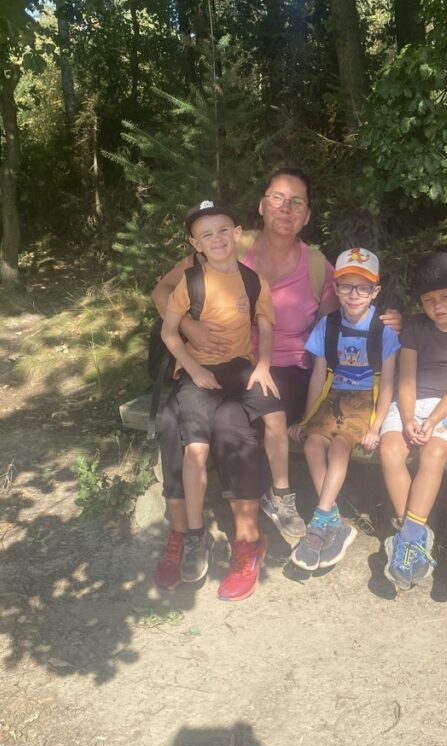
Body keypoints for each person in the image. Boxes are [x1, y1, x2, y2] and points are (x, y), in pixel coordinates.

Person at [151, 169, 336, 601]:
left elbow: (342, 320)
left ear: (308, 214)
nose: (285, 208)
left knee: (232, 420)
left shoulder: (316, 266)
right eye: (277, 198)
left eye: (296, 201)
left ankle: (248, 540)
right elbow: (164, 291)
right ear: (261, 205)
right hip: (212, 365)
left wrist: (387, 324)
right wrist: (190, 327)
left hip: (281, 369)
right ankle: (184, 533)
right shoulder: (229, 244)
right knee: (172, 420)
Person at [160, 199, 288, 588]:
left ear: (237, 234)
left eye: (222, 231)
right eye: (206, 234)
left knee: (275, 416)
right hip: (200, 371)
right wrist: (194, 369)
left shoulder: (252, 280)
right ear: (194, 243)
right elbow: (169, 332)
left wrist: (263, 365)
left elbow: (266, 326)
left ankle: (282, 497)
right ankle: (194, 534)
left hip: (241, 366)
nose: (216, 239)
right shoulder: (191, 281)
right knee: (195, 449)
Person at [288, 247, 400, 572]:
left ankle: (319, 521)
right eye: (347, 286)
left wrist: (376, 427)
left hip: (365, 399)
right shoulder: (328, 325)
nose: (354, 295)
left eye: (363, 288)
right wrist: (307, 418)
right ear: (336, 289)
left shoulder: (383, 330)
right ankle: (334, 521)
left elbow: (388, 384)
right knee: (312, 443)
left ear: (375, 291)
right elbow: (318, 375)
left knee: (339, 448)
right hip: (332, 395)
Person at [378, 252, 447, 591]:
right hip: (410, 402)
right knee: (390, 450)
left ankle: (407, 539)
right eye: (428, 300)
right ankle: (415, 536)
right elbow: (406, 379)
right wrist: (408, 418)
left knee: (434, 453)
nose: (437, 306)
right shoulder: (415, 328)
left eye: (445, 297)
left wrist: (433, 420)